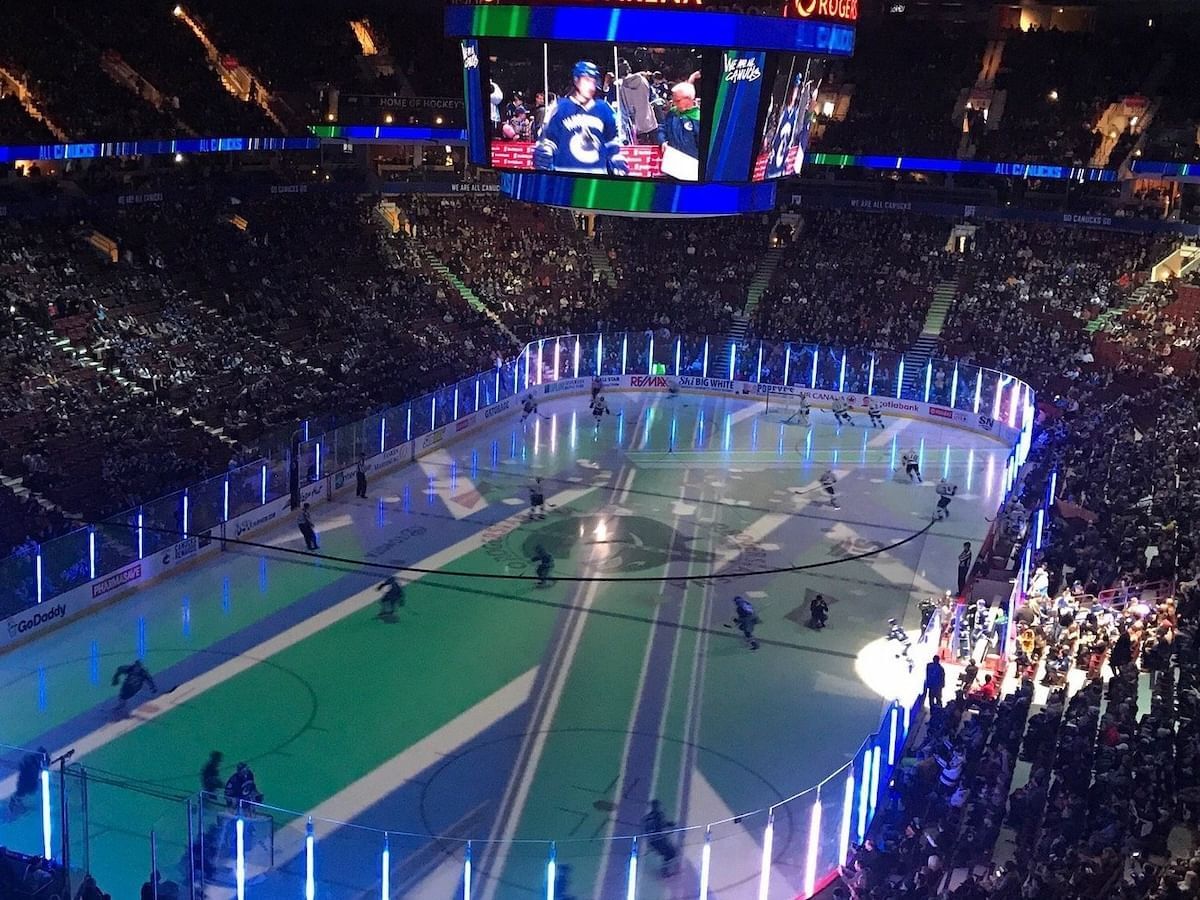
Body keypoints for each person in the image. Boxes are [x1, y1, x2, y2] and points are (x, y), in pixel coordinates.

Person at [533, 61, 629, 176]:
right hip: (564, 175)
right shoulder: (560, 107)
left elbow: (612, 141)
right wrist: (544, 152)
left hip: (597, 177)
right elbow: (548, 138)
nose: (591, 85)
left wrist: (616, 158)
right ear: (576, 80)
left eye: (593, 80)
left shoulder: (604, 109)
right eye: (587, 80)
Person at [657, 81, 700, 180]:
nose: (674, 103)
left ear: (689, 99)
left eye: (678, 100)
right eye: (674, 100)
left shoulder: (698, 118)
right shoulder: (672, 113)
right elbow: (662, 128)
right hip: (671, 166)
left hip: (691, 169)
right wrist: (662, 141)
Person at [643, 800, 679, 877]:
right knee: (671, 853)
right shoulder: (658, 815)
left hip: (652, 840)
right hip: (659, 840)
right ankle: (665, 872)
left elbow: (646, 829)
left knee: (668, 853)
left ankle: (665, 870)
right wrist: (670, 825)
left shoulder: (647, 817)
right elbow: (661, 825)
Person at [8, 746, 47, 813]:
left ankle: (17, 803)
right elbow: (24, 768)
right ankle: (15, 803)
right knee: (23, 792)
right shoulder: (30, 760)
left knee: (25, 791)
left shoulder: (34, 761)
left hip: (29, 780)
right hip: (26, 780)